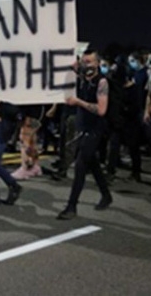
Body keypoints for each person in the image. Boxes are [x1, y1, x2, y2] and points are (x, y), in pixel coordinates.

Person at [57, 49, 113, 220]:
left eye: (89, 62)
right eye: (84, 61)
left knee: (81, 164)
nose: (86, 65)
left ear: (97, 63)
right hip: (83, 126)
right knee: (92, 163)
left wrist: (78, 102)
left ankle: (71, 206)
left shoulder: (101, 82)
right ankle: (106, 195)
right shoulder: (81, 79)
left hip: (95, 128)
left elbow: (101, 110)